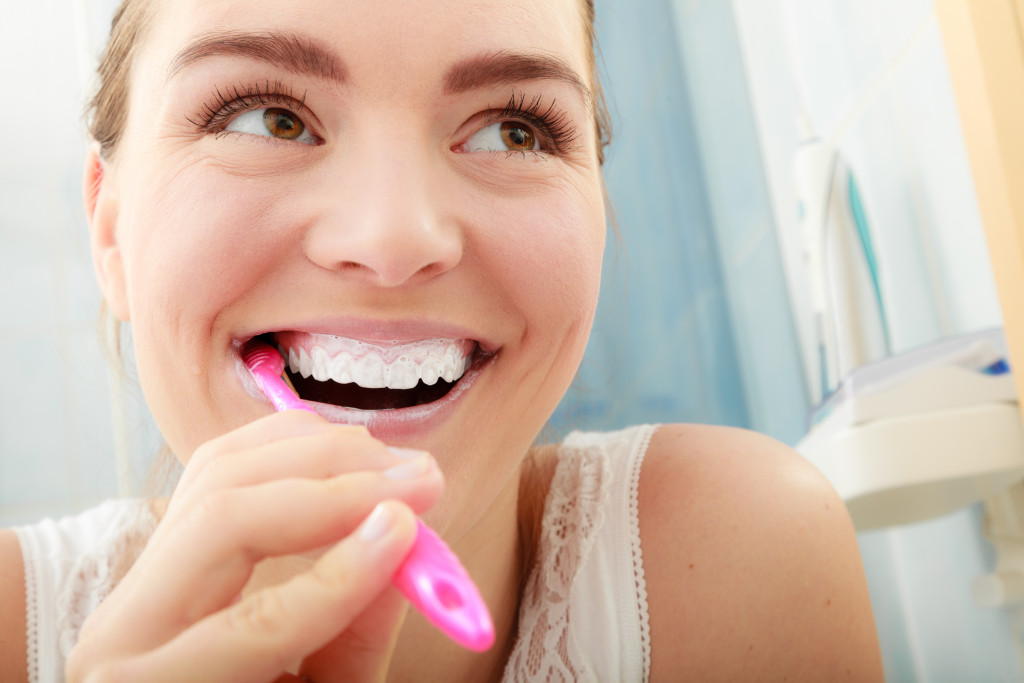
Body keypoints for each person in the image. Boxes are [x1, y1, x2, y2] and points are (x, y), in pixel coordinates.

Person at [0, 0, 884, 680]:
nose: (395, 237)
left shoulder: (744, 561)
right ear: (110, 231)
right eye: (266, 114)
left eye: (512, 129)